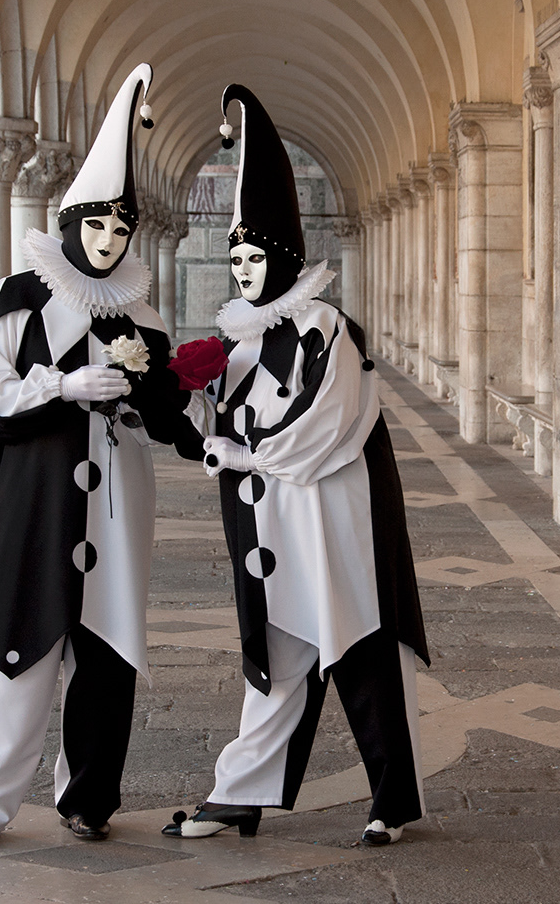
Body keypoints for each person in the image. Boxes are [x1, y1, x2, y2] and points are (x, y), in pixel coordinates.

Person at [0, 63, 200, 854]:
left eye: (122, 232)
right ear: (72, 222)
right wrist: (61, 385)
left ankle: (89, 798)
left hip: (115, 505)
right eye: (98, 228)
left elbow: (165, 413)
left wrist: (177, 402)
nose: (109, 243)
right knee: (16, 642)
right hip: (32, 498)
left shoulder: (143, 315)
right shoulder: (16, 298)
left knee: (107, 647)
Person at [163, 84, 429, 847]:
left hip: (335, 523)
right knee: (279, 657)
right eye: (235, 259)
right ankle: (238, 795)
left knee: (363, 648)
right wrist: (181, 397)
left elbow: (324, 422)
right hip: (273, 530)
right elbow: (216, 424)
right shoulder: (240, 340)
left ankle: (393, 801)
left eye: (256, 257)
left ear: (283, 257)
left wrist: (242, 452)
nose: (244, 271)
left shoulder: (326, 327)